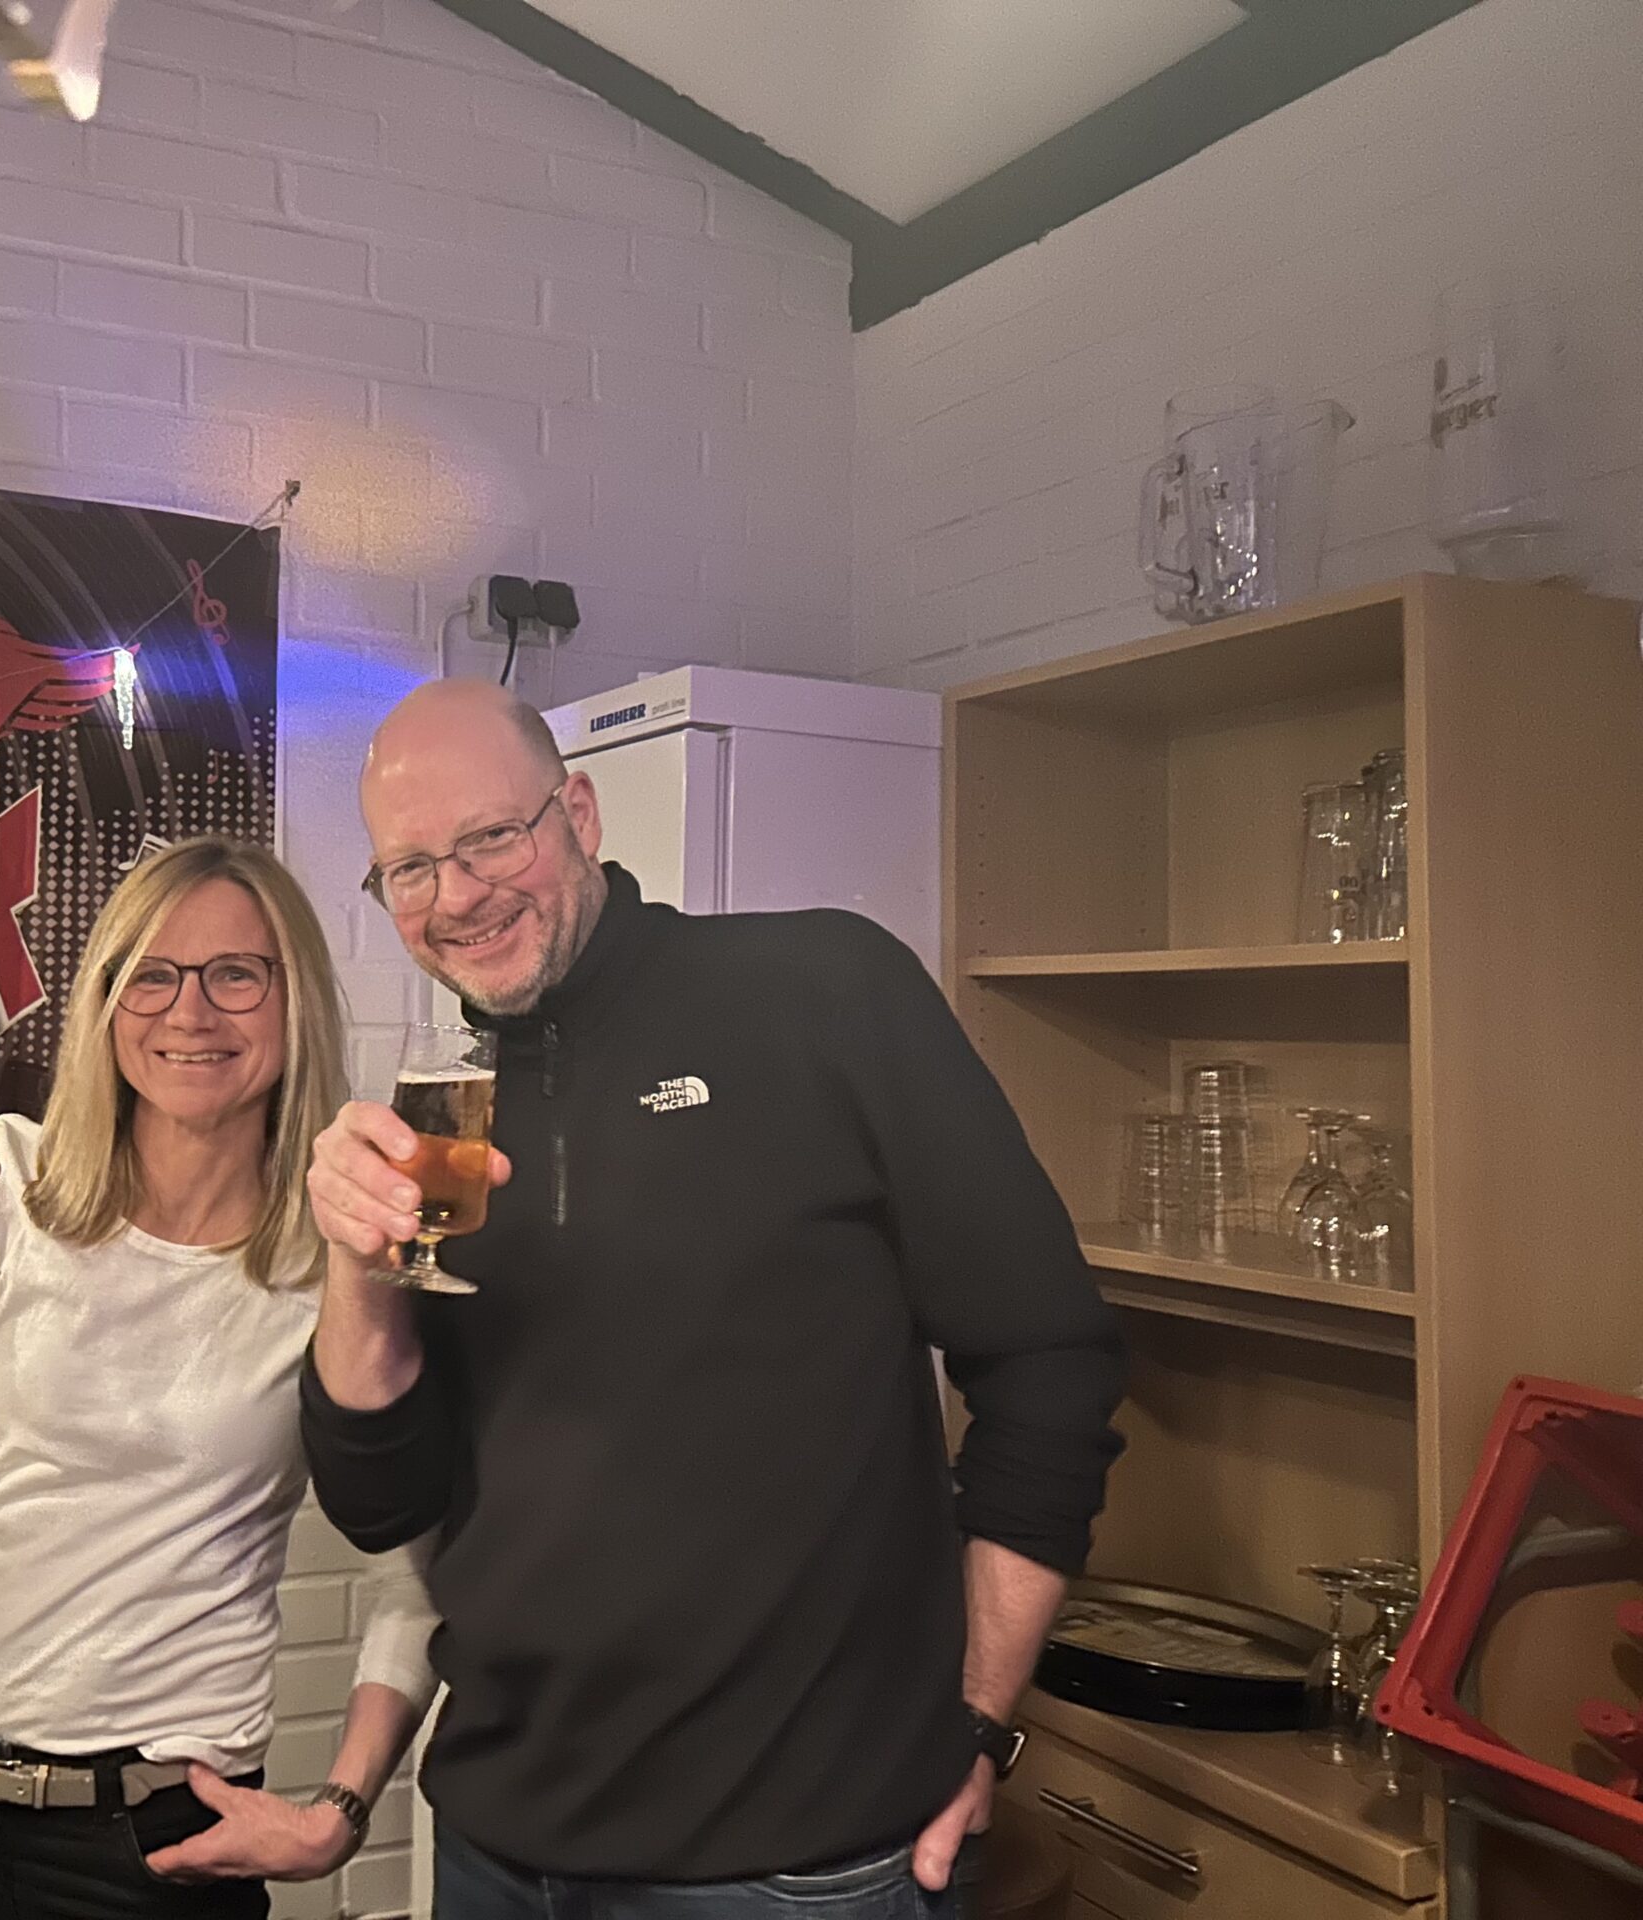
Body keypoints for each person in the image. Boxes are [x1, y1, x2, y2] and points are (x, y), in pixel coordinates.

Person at [300, 680, 1127, 1920]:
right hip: (492, 1840)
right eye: (408, 868)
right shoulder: (446, 1114)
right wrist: (352, 1266)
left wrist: (975, 1716)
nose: (455, 896)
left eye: (490, 839)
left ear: (579, 814)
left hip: (795, 1866)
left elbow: (1051, 1361)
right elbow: (381, 1503)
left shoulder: (823, 990)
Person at [0, 837, 435, 1920]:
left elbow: (423, 1564)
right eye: (151, 975)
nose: (190, 1012)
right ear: (104, 1000)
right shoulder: (5, 1177)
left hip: (154, 1840)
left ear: (297, 1003)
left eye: (237, 974)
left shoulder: (345, 1245)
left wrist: (341, 1810)